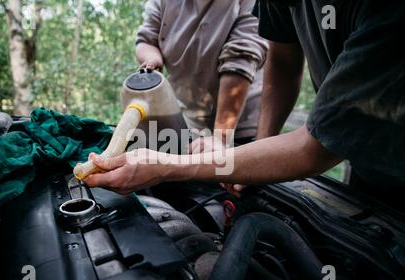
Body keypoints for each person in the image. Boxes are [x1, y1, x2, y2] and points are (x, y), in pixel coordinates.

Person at [81, 0, 405, 211]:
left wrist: (171, 165)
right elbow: (282, 60)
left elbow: (315, 148)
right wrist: (263, 151)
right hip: (364, 159)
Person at [135, 0, 268, 150]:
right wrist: (153, 59)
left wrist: (221, 137)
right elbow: (146, 40)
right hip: (189, 120)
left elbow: (240, 59)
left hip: (242, 126)